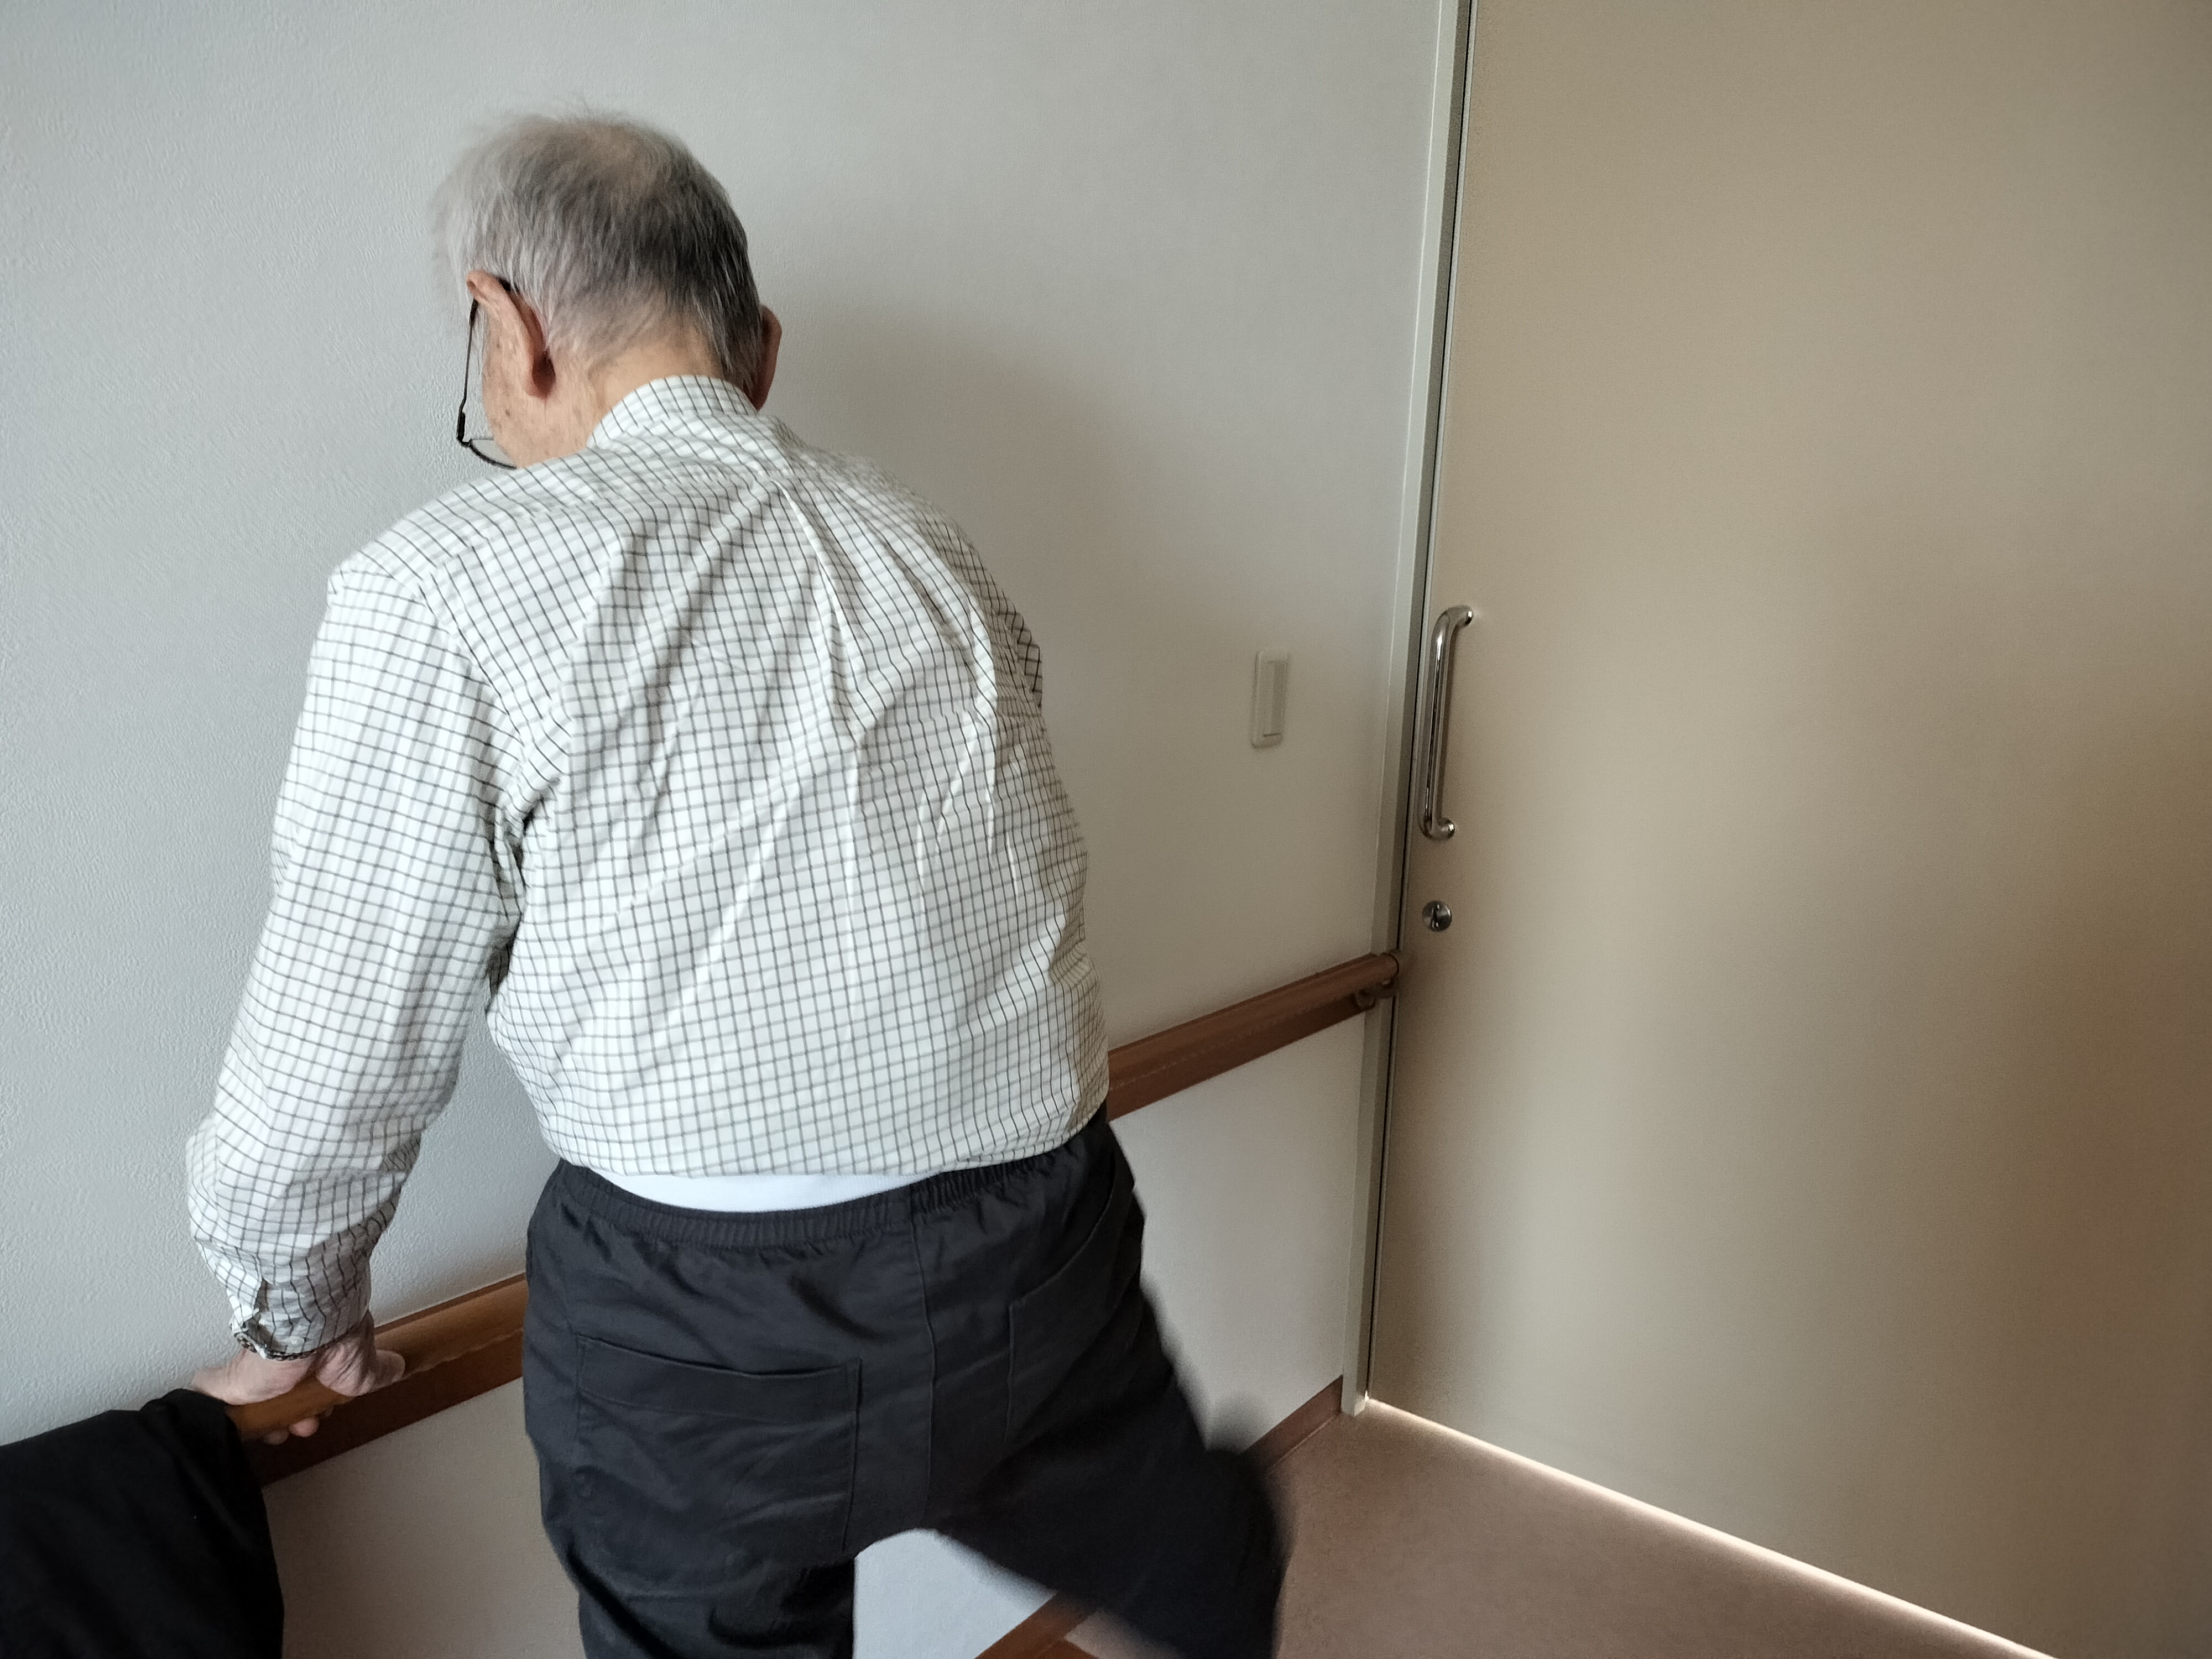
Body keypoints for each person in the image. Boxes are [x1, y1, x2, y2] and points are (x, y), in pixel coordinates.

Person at [186, 113, 1282, 1659]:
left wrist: (293, 1309)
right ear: (760, 352)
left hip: (708, 1330)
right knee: (1172, 1544)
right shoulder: (929, 549)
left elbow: (343, 1022)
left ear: (509, 328)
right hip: (1045, 1246)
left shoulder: (446, 587)